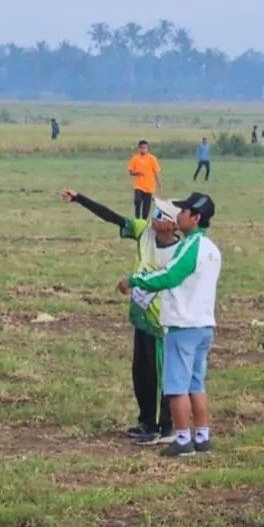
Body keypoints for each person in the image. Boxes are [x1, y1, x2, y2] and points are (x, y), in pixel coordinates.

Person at [61, 189, 179, 444]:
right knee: (141, 374)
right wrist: (81, 198)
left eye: (159, 214)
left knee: (159, 377)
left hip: (162, 323)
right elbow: (112, 217)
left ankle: (162, 427)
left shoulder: (179, 252)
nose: (152, 216)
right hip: (141, 318)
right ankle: (146, 420)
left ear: (171, 224)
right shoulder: (143, 231)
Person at [122, 192, 222, 457]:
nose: (178, 216)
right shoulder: (212, 249)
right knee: (195, 384)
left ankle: (181, 440)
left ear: (196, 218)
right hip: (203, 325)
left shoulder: (191, 246)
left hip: (182, 325)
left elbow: (169, 276)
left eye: (184, 212)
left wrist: (135, 281)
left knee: (175, 387)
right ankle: (202, 437)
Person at [127, 140, 161, 219]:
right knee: (137, 201)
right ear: (139, 149)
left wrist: (159, 183)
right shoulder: (135, 158)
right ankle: (137, 218)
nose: (143, 149)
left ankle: (144, 221)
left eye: (145, 148)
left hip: (149, 187)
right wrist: (137, 172)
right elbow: (130, 171)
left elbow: (156, 172)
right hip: (138, 186)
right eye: (141, 148)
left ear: (148, 148)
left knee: (146, 207)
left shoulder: (152, 159)